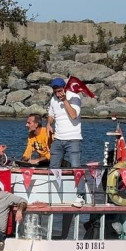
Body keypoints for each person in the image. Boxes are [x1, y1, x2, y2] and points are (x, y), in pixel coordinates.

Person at [46, 77, 85, 207]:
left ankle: (80, 196)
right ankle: (53, 193)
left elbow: (74, 115)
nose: (58, 93)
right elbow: (51, 114)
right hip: (58, 138)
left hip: (73, 138)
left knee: (76, 166)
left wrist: (65, 101)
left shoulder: (74, 97)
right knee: (54, 167)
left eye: (60, 91)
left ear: (65, 88)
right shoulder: (53, 99)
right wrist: (48, 124)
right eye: (55, 91)